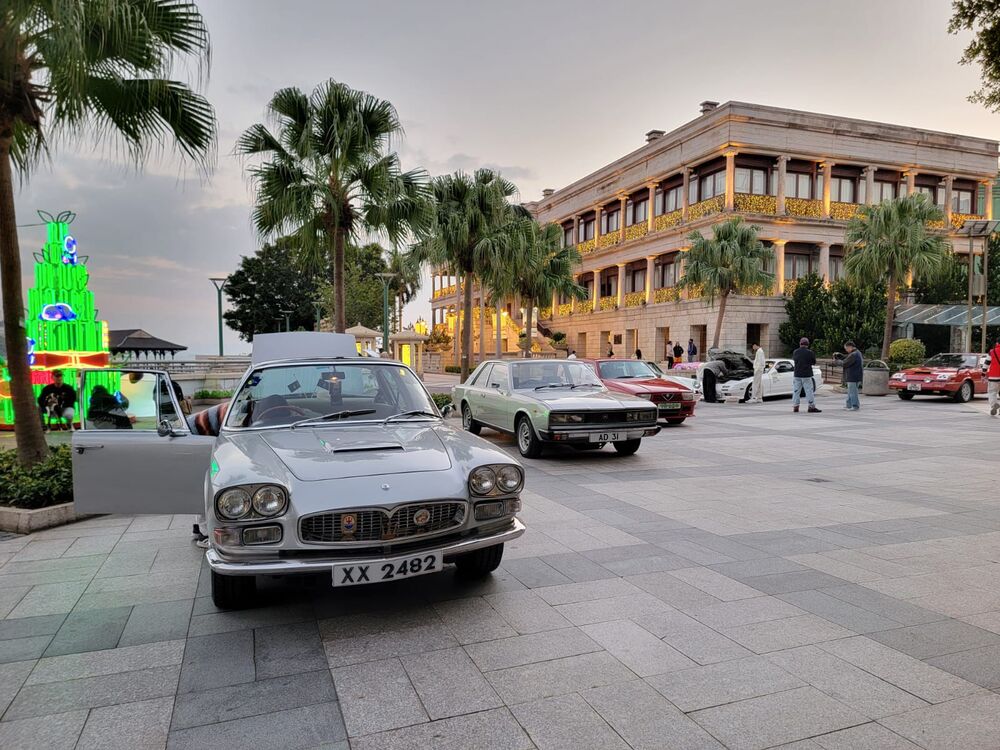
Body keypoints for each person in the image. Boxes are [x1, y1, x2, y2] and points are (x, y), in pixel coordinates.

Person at [792, 337, 821, 413]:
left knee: (796, 391)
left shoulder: (795, 352)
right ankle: (811, 406)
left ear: (800, 344)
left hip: (797, 374)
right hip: (807, 374)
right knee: (809, 391)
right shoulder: (810, 352)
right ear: (807, 344)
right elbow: (813, 362)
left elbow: (795, 360)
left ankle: (795, 406)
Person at [839, 340, 863, 411]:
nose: (846, 350)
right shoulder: (857, 353)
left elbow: (845, 363)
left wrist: (837, 362)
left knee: (852, 392)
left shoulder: (853, 354)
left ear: (850, 347)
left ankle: (855, 406)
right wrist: (842, 356)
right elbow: (848, 359)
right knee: (850, 391)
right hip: (856, 375)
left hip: (852, 376)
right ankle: (849, 405)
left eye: (846, 348)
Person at [988, 337, 1000, 416]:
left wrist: (983, 374)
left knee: (992, 392)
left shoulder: (992, 351)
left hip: (993, 376)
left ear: (997, 343)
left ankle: (994, 404)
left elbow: (986, 363)